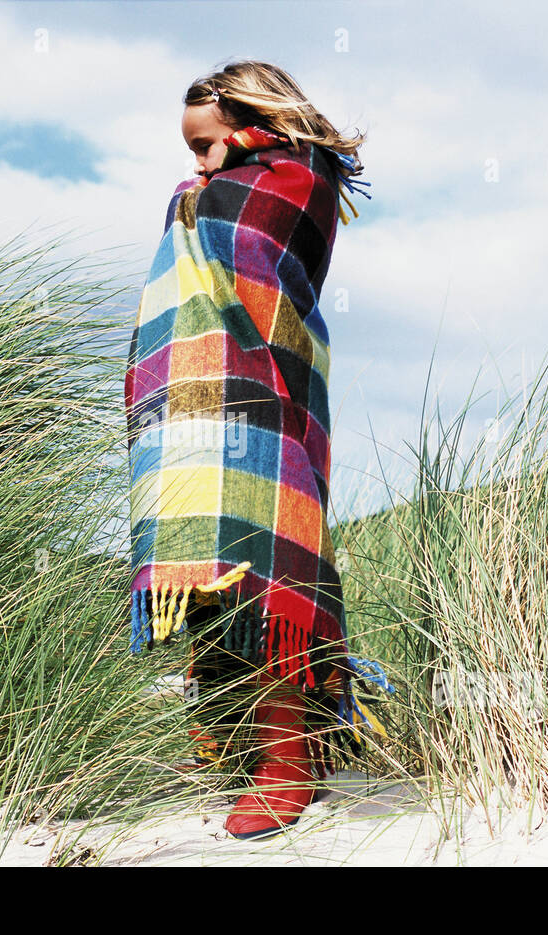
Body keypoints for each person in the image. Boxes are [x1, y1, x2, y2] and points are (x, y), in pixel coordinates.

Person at [124, 59, 374, 839]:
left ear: (251, 123)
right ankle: (230, 740)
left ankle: (286, 760)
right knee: (204, 564)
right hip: (190, 396)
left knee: (266, 569)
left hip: (265, 386)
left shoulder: (300, 176)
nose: (195, 163)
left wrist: (209, 183)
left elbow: (258, 244)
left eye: (206, 143)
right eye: (190, 150)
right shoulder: (220, 181)